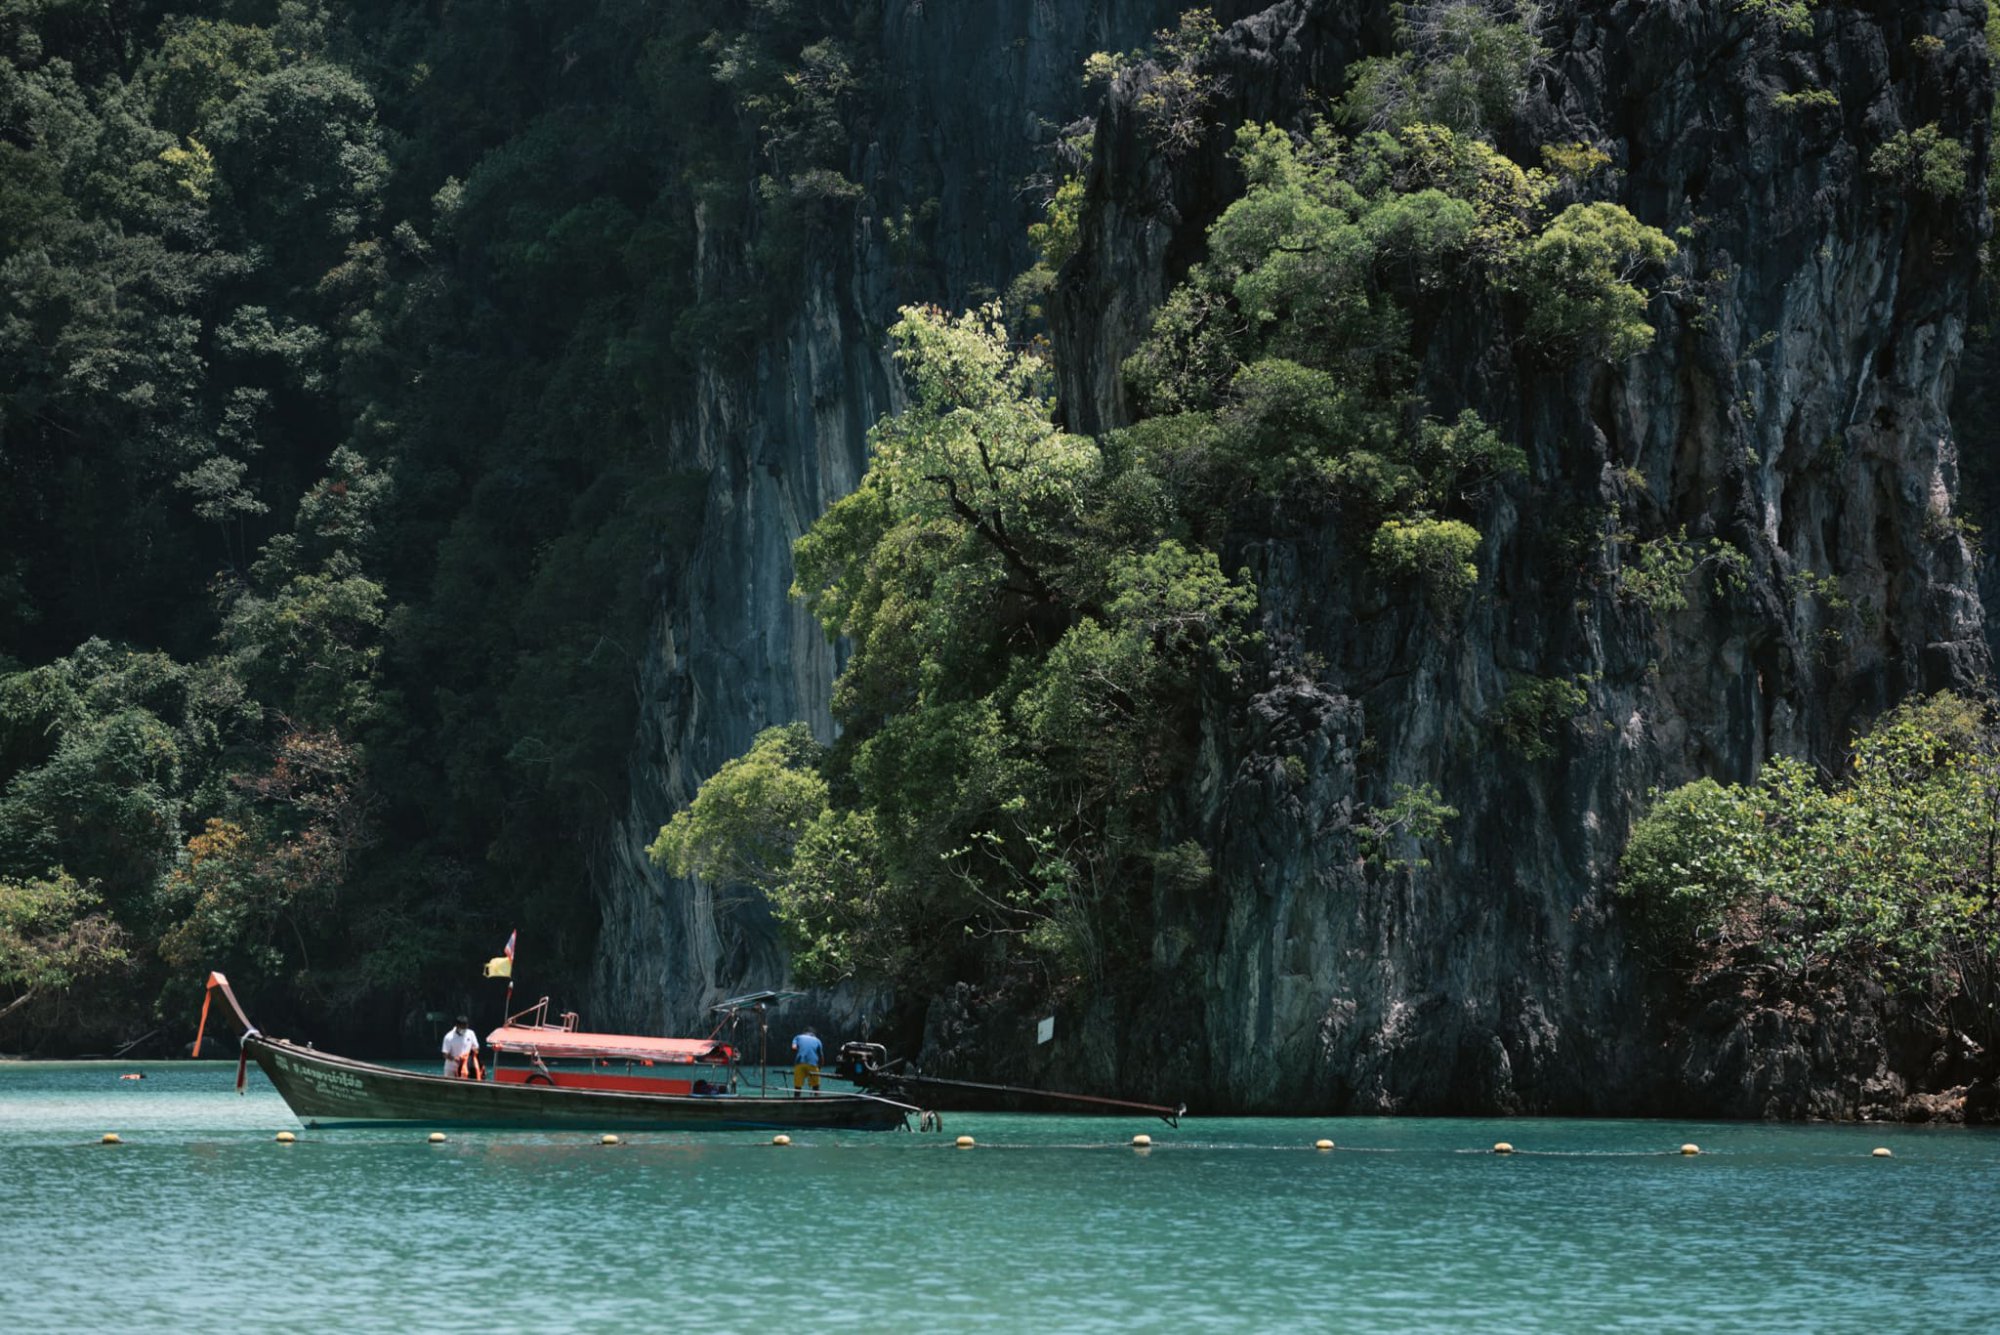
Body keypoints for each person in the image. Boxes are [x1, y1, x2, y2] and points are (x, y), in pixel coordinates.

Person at [791, 1026, 823, 1097]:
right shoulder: (817, 1040)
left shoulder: (797, 1037)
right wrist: (819, 1068)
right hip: (813, 1064)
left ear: (804, 1033)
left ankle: (796, 1101)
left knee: (797, 1087)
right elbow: (821, 1057)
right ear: (813, 1034)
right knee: (816, 1087)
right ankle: (818, 1100)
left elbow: (794, 1048)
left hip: (800, 1063)